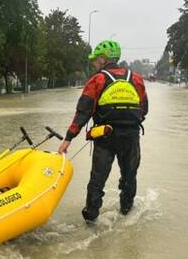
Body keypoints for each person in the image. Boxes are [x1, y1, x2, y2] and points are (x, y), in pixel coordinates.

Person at [58, 40, 148, 225]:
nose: (93, 64)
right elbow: (144, 108)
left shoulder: (97, 80)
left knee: (97, 181)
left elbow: (83, 112)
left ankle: (91, 219)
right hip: (131, 137)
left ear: (102, 59)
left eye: (95, 61)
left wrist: (68, 139)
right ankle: (126, 214)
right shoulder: (136, 79)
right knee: (129, 177)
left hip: (105, 137)